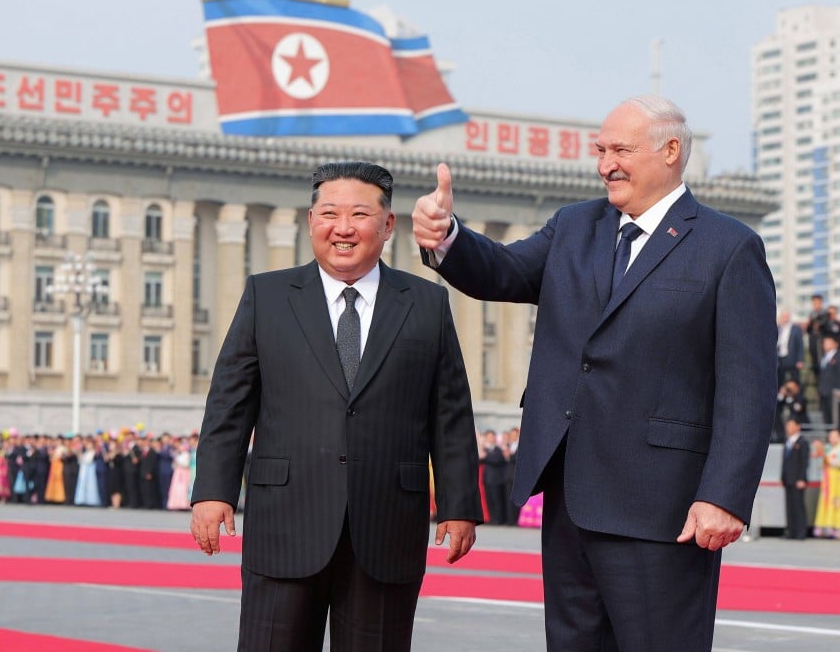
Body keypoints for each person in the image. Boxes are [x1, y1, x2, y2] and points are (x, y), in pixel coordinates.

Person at [412, 94, 776, 651]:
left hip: (663, 508)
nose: (606, 163)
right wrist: (447, 236)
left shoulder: (729, 248)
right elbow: (503, 271)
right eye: (601, 150)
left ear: (671, 150)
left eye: (621, 150)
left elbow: (748, 388)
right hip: (570, 497)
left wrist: (724, 496)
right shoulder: (574, 227)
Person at [190, 161, 482, 652]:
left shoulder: (426, 303)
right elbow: (230, 403)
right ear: (310, 221)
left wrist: (458, 505)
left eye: (360, 215)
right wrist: (211, 490)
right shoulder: (268, 295)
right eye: (329, 213)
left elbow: (449, 413)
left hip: (386, 524)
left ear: (388, 225)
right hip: (286, 521)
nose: (342, 228)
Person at [811, 429, 840, 539]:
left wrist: (826, 457)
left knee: (839, 501)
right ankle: (826, 525)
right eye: (831, 436)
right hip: (828, 478)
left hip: (839, 479)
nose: (833, 438)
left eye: (835, 436)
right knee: (826, 500)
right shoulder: (829, 448)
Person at [781, 419, 809, 540]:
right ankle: (791, 531)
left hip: (798, 479)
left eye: (791, 425)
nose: (789, 428)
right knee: (789, 506)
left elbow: (804, 462)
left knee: (798, 506)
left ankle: (801, 531)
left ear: (798, 427)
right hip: (788, 479)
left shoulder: (802, 442)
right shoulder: (787, 441)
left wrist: (802, 478)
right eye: (787, 425)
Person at [817, 336, 840, 425]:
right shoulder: (824, 357)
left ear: (834, 344)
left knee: (834, 415)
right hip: (824, 390)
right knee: (826, 415)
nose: (825, 345)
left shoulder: (838, 357)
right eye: (824, 343)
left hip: (833, 390)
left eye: (828, 342)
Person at [776, 310, 804, 388]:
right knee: (780, 380)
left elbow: (800, 345)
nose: (785, 318)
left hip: (792, 358)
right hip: (780, 358)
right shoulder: (778, 328)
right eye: (783, 316)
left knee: (793, 380)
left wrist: (800, 360)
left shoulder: (796, 329)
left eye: (786, 316)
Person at [805, 294, 827, 383]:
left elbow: (826, 328)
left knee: (823, 369)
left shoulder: (825, 314)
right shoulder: (811, 315)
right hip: (813, 345)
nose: (816, 305)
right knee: (815, 371)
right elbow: (808, 330)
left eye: (817, 303)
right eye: (814, 303)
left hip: (822, 345)